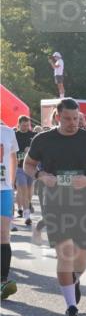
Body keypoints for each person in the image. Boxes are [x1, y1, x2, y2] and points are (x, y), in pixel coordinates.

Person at [23, 98, 86, 316]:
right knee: (65, 252)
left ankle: (73, 280)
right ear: (57, 116)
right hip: (53, 201)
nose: (72, 123)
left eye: (76, 118)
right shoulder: (43, 139)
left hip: (83, 200)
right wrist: (42, 176)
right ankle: (71, 307)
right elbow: (28, 164)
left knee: (81, 257)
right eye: (67, 119)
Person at [1, 122, 18, 299]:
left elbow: (13, 158)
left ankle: (2, 281)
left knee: (4, 235)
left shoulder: (7, 132)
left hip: (3, 190)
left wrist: (11, 184)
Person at [14, 116, 34, 225]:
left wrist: (30, 151)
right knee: (23, 189)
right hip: (19, 167)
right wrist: (20, 153)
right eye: (24, 125)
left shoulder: (33, 135)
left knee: (29, 191)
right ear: (19, 124)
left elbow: (38, 151)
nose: (26, 127)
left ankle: (26, 206)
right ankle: (26, 215)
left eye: (27, 125)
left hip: (31, 167)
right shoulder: (15, 135)